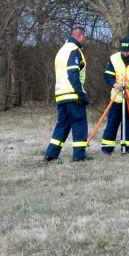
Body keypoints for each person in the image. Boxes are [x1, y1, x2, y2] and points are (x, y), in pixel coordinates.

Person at [44, 26, 91, 162]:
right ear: (80, 36)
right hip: (72, 93)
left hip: (60, 94)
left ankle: (51, 154)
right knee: (79, 122)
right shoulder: (74, 50)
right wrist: (80, 93)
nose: (85, 40)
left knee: (63, 124)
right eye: (84, 37)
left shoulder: (61, 51)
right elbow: (72, 73)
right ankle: (79, 155)